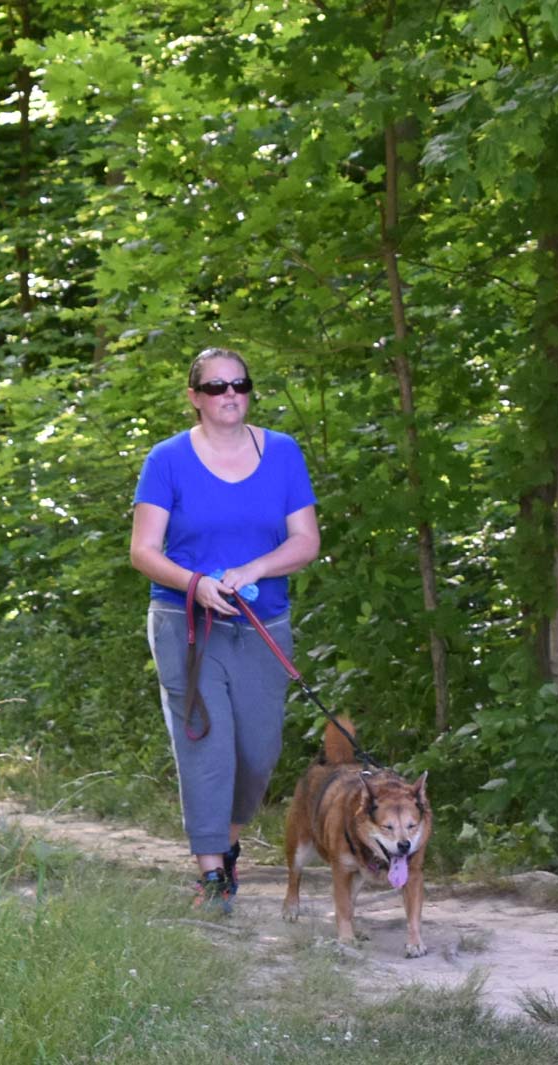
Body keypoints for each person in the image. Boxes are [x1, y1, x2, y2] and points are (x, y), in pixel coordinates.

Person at [129, 347, 320, 915]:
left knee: (259, 752)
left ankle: (228, 843)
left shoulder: (282, 452)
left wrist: (255, 568)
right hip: (186, 623)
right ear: (195, 398)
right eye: (215, 387)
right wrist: (194, 584)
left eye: (239, 383)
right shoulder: (166, 459)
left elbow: (305, 541)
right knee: (205, 745)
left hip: (263, 621)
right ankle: (211, 874)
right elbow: (143, 551)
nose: (229, 393)